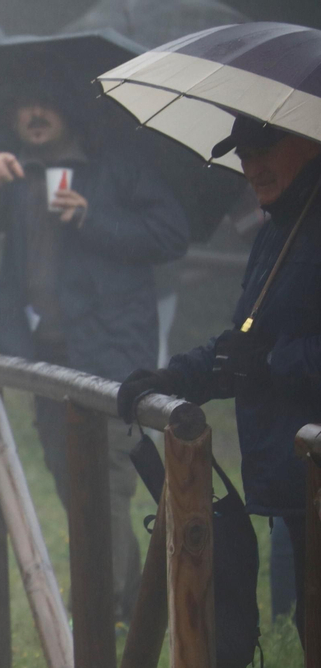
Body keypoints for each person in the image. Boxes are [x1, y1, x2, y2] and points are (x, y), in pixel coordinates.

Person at [0, 83, 189, 620]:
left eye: (47, 102)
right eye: (24, 102)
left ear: (69, 111)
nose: (35, 111)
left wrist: (92, 216)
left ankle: (99, 615)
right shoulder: (13, 168)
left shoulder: (117, 164)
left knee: (107, 480)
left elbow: (172, 236)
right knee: (66, 473)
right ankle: (134, 608)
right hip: (46, 354)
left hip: (112, 352)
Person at [119, 116, 321, 636]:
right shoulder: (279, 229)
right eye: (244, 154)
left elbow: (264, 354)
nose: (252, 167)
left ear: (308, 140)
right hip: (297, 472)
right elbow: (244, 342)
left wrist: (271, 362)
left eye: (264, 149)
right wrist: (172, 378)